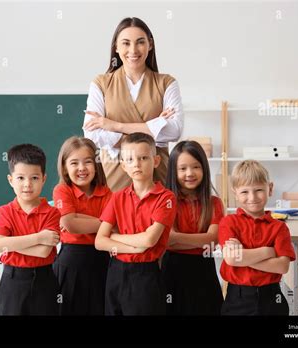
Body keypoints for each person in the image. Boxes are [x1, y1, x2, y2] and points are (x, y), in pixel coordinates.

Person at [83, 17, 183, 191]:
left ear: (150, 45)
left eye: (140, 42)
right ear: (116, 47)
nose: (133, 50)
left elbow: (174, 131)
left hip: (157, 175)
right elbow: (92, 134)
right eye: (126, 43)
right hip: (114, 176)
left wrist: (115, 125)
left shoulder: (166, 83)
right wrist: (154, 127)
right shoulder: (101, 83)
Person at [95, 132, 176, 315]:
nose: (136, 164)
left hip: (145, 273)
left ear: (155, 161)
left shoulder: (166, 198)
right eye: (130, 159)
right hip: (115, 271)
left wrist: (115, 237)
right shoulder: (117, 198)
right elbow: (100, 241)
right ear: (123, 165)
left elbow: (149, 240)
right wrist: (134, 247)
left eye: (143, 158)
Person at [0, 144, 60, 315]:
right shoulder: (4, 212)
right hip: (12, 282)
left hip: (45, 281)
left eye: (34, 178)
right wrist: (39, 237)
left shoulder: (52, 213)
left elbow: (44, 251)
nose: (27, 184)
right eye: (20, 178)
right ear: (10, 180)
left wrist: (13, 243)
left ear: (44, 178)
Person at [219, 160, 296, 315]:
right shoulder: (228, 223)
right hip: (237, 300)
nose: (252, 197)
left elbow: (282, 266)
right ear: (235, 193)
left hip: (272, 299)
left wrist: (245, 258)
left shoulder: (279, 227)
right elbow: (233, 259)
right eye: (244, 192)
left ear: (270, 188)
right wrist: (269, 252)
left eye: (259, 189)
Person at [162, 140, 224, 315]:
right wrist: (199, 240)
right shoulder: (166, 201)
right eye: (182, 169)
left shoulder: (214, 203)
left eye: (196, 167)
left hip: (204, 271)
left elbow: (213, 240)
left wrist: (176, 238)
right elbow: (165, 241)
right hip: (173, 272)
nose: (190, 173)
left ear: (204, 168)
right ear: (173, 171)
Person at [52, 136, 112, 315]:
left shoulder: (107, 193)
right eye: (74, 163)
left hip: (102, 260)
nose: (82, 168)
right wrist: (103, 223)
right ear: (64, 167)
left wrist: (77, 218)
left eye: (88, 162)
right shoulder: (62, 190)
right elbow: (70, 225)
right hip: (71, 261)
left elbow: (114, 228)